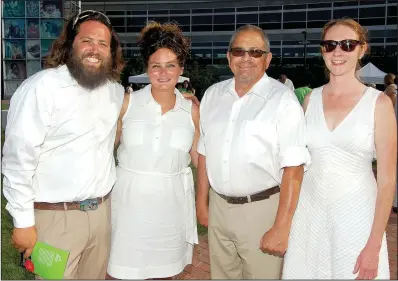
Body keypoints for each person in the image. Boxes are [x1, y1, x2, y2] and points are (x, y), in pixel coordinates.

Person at [2, 10, 125, 279]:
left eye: (103, 44)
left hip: (101, 216)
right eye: (87, 41)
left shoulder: (114, 91)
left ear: (111, 51)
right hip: (55, 221)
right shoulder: (41, 88)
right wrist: (23, 222)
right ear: (70, 44)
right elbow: (17, 160)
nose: (95, 49)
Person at [283, 18, 396, 279]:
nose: (338, 52)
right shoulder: (310, 99)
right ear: (322, 50)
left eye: (347, 44)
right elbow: (296, 161)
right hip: (309, 216)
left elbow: (388, 180)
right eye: (330, 44)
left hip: (356, 217)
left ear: (362, 49)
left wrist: (374, 244)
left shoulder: (378, 104)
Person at [196, 24, 310, 279]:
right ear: (228, 57)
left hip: (262, 210)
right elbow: (204, 152)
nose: (246, 58)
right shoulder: (213, 95)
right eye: (238, 51)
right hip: (219, 208)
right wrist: (202, 205)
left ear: (267, 59)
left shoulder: (283, 100)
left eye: (255, 52)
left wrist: (281, 226)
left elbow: (294, 167)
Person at [107, 22, 200, 280]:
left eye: (170, 65)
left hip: (171, 208)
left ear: (181, 69)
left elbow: (198, 160)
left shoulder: (191, 110)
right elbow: (104, 153)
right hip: (128, 208)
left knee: (167, 272)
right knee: (121, 271)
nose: (163, 72)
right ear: (147, 69)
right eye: (155, 66)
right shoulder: (127, 103)